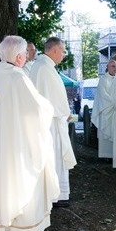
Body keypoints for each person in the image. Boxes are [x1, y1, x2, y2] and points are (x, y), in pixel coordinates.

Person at [0, 35, 60, 231]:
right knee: (23, 176)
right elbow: (37, 109)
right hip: (18, 143)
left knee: (2, 180)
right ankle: (25, 229)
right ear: (18, 56)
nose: (25, 57)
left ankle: (1, 228)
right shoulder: (17, 77)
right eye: (24, 53)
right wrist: (50, 107)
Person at [30, 36, 77, 208]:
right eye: (63, 51)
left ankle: (59, 193)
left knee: (56, 157)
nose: (64, 55)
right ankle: (56, 194)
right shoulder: (44, 67)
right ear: (55, 49)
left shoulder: (45, 66)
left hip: (54, 119)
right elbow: (50, 97)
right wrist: (65, 113)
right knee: (55, 157)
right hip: (51, 122)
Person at [91, 59, 116, 160]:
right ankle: (106, 155)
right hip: (106, 110)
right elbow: (103, 95)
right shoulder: (103, 79)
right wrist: (114, 102)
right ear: (107, 67)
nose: (114, 68)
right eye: (112, 66)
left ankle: (115, 154)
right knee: (106, 133)